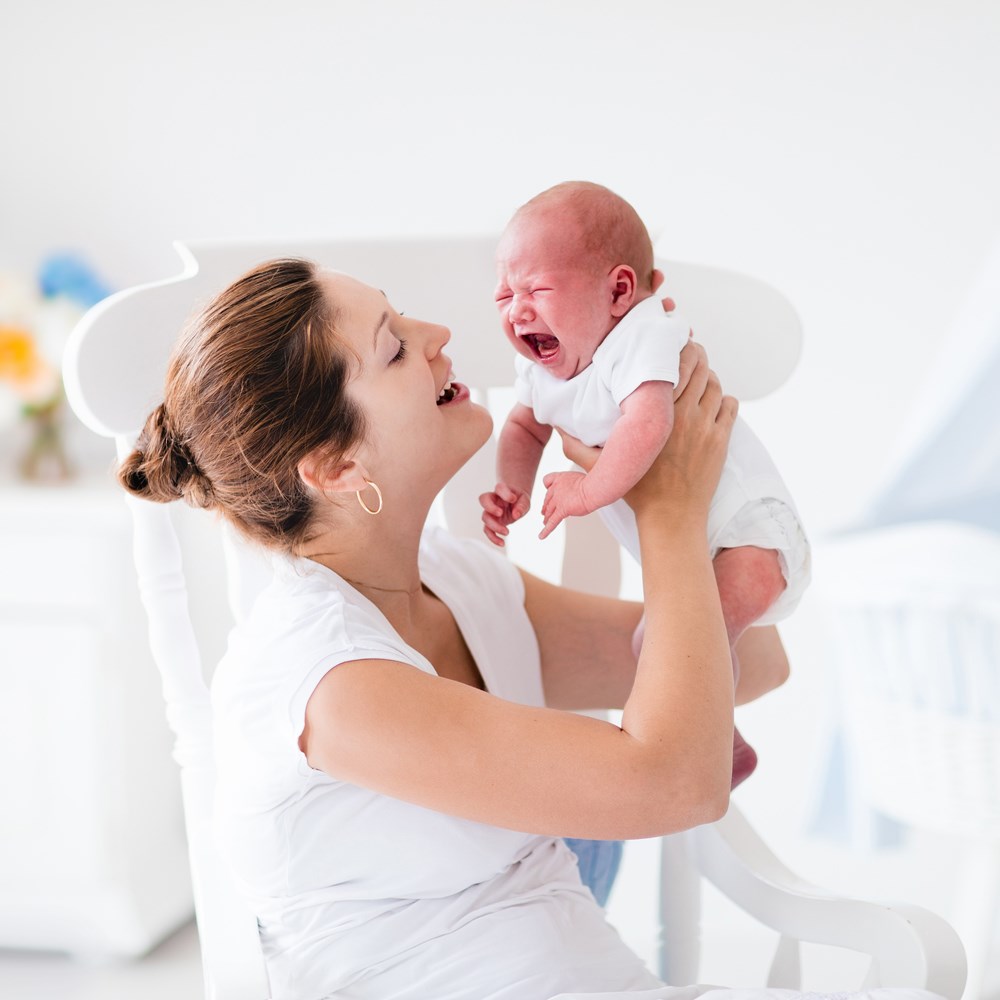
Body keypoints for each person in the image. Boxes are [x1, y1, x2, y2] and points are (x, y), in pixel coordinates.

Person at [117, 258, 781, 1000]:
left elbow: (755, 659)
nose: (436, 335)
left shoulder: (461, 584)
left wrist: (636, 459)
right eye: (394, 346)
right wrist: (668, 516)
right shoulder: (329, 680)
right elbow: (679, 785)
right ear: (337, 467)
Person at [482, 181, 812, 788]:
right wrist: (513, 488)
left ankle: (701, 745)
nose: (517, 310)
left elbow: (650, 421)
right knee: (654, 646)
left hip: (749, 534)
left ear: (619, 291)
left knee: (681, 642)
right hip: (691, 550)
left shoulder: (640, 336)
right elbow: (523, 429)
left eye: (537, 290)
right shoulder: (540, 371)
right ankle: (725, 743)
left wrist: (585, 491)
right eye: (505, 293)